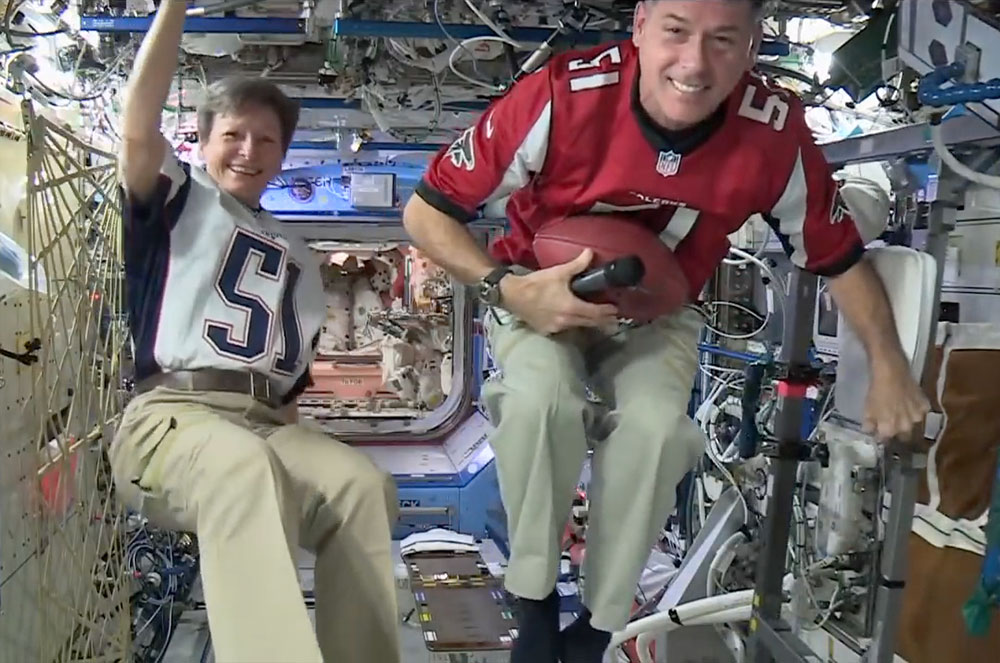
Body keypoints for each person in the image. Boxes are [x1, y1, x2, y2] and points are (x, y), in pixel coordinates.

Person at [402, 1, 931, 662]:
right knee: (542, 400)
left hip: (660, 309)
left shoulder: (772, 131)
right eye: (677, 32)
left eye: (722, 41)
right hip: (537, 288)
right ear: (642, 25)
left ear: (750, 47)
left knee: (660, 429)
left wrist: (890, 367)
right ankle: (534, 599)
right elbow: (426, 214)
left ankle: (597, 625)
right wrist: (505, 289)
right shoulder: (561, 97)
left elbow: (838, 257)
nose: (694, 62)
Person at [108, 3, 400, 662]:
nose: (249, 151)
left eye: (267, 141)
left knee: (361, 487)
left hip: (263, 421)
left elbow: (289, 389)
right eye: (234, 134)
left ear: (284, 155)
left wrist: (303, 450)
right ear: (203, 140)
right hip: (170, 416)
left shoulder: (296, 255)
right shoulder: (178, 196)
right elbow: (137, 129)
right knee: (245, 468)